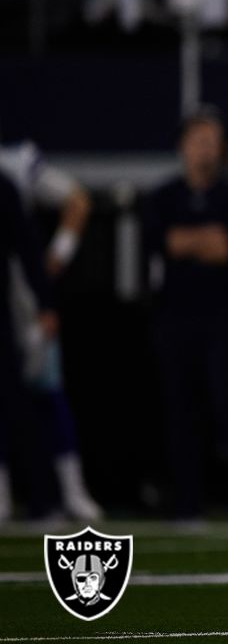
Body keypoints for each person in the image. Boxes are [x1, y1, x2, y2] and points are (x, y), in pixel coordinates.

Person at [143, 108, 228, 521]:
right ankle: (187, 503)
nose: (206, 149)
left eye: (213, 141)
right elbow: (165, 244)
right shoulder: (164, 196)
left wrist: (189, 241)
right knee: (180, 409)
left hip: (222, 316)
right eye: (199, 140)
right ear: (182, 146)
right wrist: (204, 241)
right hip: (175, 315)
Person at [0, 139, 102, 521]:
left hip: (22, 299)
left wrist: (55, 258)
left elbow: (77, 201)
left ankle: (69, 492)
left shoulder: (15, 164)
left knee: (43, 390)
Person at [0, 176, 58, 525]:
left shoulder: (3, 187)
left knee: (13, 401)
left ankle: (42, 496)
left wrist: (46, 303)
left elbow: (27, 247)